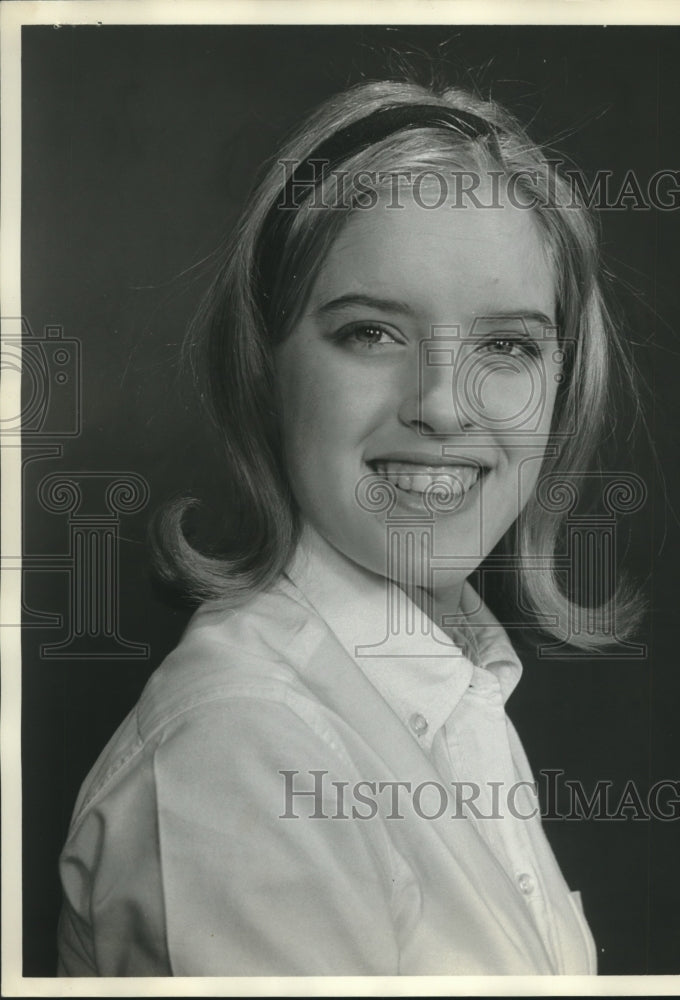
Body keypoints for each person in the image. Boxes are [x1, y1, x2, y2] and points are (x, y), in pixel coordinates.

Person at [57, 77, 641, 976]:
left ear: (562, 385)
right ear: (265, 370)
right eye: (372, 333)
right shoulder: (248, 755)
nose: (445, 406)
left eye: (508, 345)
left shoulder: (448, 688)